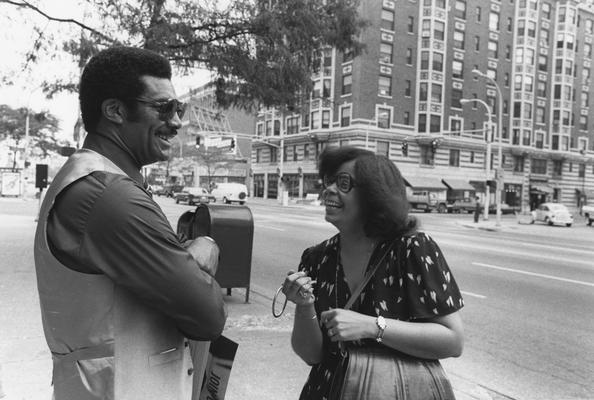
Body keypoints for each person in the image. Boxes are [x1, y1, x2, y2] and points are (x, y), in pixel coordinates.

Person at [33, 46, 227, 400]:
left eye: (179, 108)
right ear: (115, 111)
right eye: (164, 108)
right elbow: (208, 316)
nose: (178, 121)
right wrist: (205, 249)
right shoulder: (108, 196)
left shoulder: (92, 180)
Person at [282, 146, 464, 399]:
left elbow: (453, 341)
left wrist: (371, 326)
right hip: (328, 392)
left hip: (398, 390)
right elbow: (311, 355)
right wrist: (304, 306)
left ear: (374, 194)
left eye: (343, 182)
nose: (329, 189)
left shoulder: (412, 249)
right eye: (329, 181)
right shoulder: (317, 258)